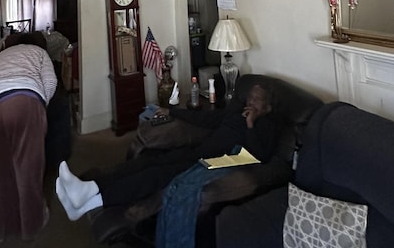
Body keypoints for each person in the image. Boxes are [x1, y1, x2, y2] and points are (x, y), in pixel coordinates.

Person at [56, 83, 277, 221]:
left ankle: (88, 202)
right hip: (197, 153)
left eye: (257, 99)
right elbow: (205, 118)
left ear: (268, 107)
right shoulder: (235, 113)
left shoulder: (266, 126)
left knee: (155, 176)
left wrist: (251, 125)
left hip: (212, 165)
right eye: (250, 97)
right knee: (147, 161)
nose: (251, 101)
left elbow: (260, 156)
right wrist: (172, 111)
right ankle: (90, 188)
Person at [0, 31, 57, 242]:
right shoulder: (39, 52)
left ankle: (0, 229)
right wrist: (40, 106)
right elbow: (50, 82)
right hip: (23, 100)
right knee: (28, 168)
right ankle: (32, 224)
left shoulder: (0, 56)